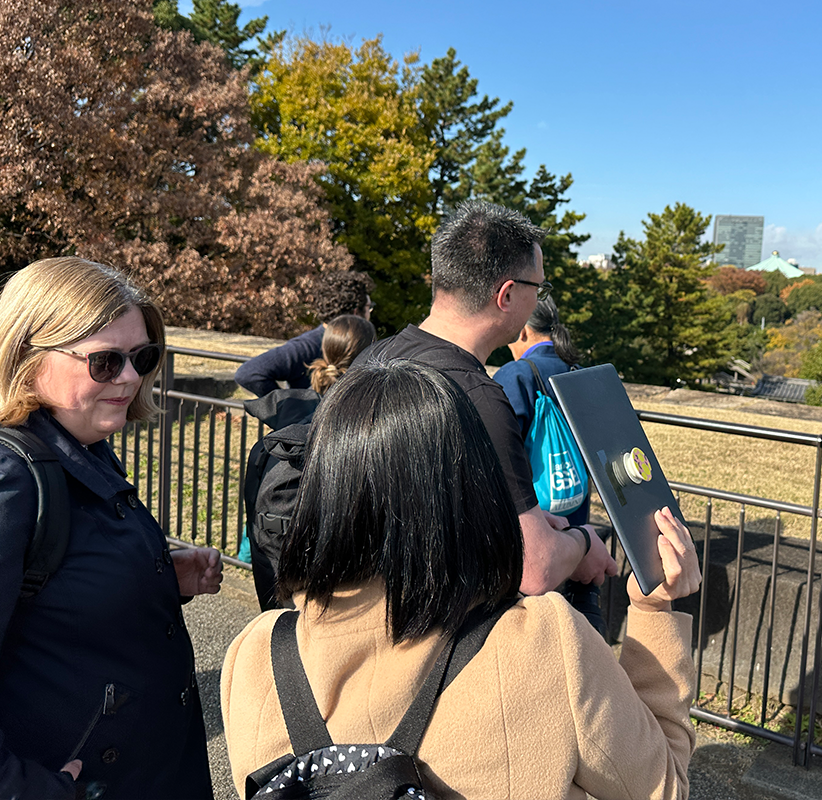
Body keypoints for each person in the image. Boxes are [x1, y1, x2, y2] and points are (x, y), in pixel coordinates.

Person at [220, 358, 701, 799]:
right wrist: (654, 611)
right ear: (473, 487)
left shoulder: (256, 653)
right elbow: (664, 788)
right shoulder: (544, 642)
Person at [0, 257, 220, 799]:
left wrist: (156, 571)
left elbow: (55, 585)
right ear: (27, 355)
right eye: (105, 361)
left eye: (143, 357)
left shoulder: (81, 447)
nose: (131, 377)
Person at [356, 200, 617, 598]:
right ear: (508, 294)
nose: (538, 298)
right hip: (440, 631)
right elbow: (536, 568)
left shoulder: (371, 360)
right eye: (539, 287)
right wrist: (583, 540)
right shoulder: (478, 398)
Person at [242, 313, 376, 611]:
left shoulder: (291, 415)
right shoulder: (361, 426)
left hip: (275, 582)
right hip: (333, 593)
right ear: (369, 355)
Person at [493, 297, 605, 630]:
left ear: (524, 332)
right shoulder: (578, 371)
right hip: (576, 516)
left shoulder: (516, 376)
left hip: (535, 526)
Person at [235, 270, 375, 396]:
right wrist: (289, 411)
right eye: (369, 307)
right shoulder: (307, 346)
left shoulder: (311, 343)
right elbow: (249, 373)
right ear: (356, 312)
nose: (370, 313)